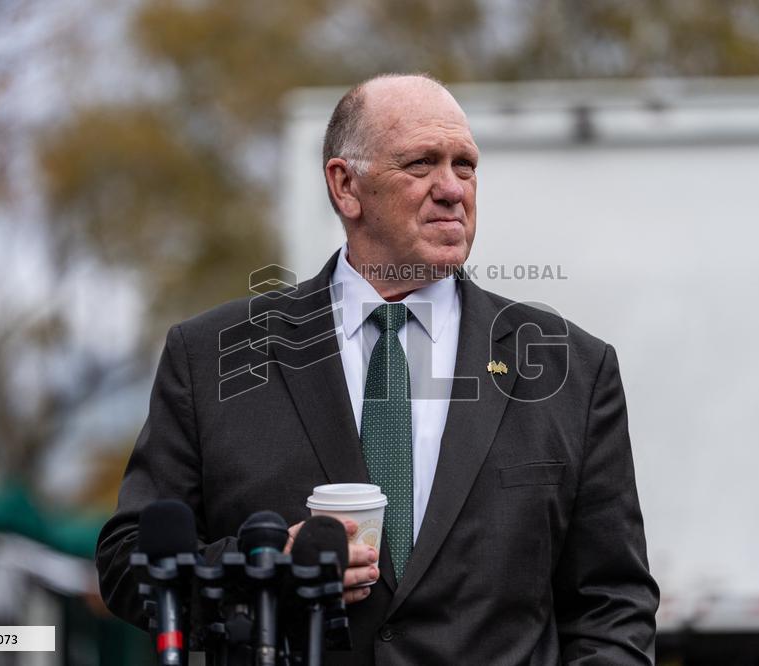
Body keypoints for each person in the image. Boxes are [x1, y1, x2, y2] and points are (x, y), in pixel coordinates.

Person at [97, 73, 659, 665]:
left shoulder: (568, 367)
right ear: (346, 186)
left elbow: (612, 603)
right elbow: (127, 562)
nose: (452, 190)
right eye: (421, 164)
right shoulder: (214, 355)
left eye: (465, 166)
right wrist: (263, 574)